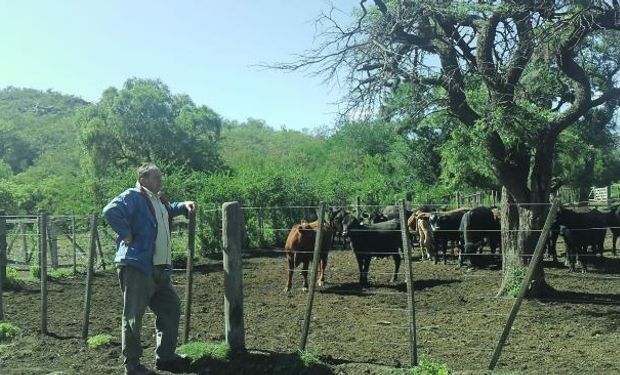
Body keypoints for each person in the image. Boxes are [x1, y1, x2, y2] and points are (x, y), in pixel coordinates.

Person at [103, 163, 196, 375]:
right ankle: (133, 365)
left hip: (160, 269)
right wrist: (126, 234)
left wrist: (183, 205)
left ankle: (165, 357)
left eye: (160, 178)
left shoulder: (157, 199)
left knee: (171, 308)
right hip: (138, 267)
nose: (160, 181)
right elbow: (110, 211)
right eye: (156, 178)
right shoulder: (132, 196)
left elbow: (165, 212)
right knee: (133, 316)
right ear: (143, 179)